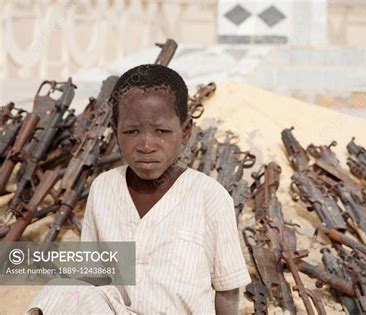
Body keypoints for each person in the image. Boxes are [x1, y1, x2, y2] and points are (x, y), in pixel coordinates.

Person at [27, 64, 250, 314]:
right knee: (60, 291)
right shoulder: (104, 189)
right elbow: (91, 276)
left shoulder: (210, 197)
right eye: (132, 131)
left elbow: (228, 290)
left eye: (161, 131)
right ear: (116, 129)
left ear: (185, 131)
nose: (146, 145)